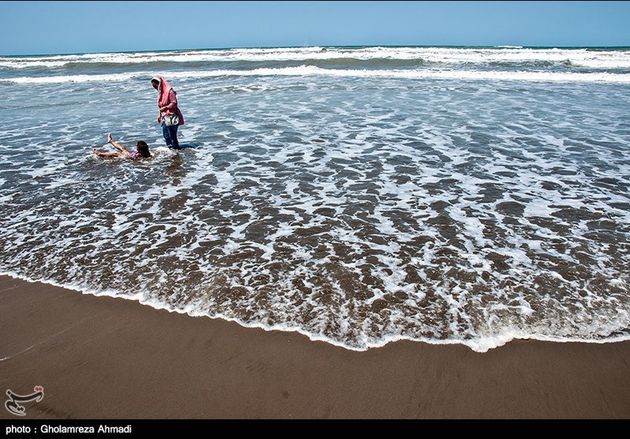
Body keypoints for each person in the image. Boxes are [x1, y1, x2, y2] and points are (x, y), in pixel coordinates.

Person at [151, 76, 185, 149]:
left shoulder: (169, 91)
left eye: (155, 86)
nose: (155, 88)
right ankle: (171, 149)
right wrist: (159, 115)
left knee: (172, 136)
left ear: (160, 83)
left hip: (172, 116)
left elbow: (174, 103)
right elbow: (160, 106)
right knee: (166, 135)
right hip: (164, 117)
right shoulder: (161, 93)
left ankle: (176, 150)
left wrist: (166, 107)